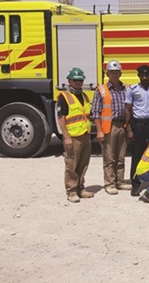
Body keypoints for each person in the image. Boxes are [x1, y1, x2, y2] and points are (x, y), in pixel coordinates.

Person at [92, 60, 131, 195]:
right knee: (109, 157)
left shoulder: (127, 88)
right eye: (112, 72)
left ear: (120, 73)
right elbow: (96, 112)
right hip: (109, 126)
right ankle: (109, 183)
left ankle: (119, 182)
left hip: (123, 126)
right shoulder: (101, 90)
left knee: (121, 156)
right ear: (107, 73)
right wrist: (99, 130)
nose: (114, 74)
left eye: (117, 72)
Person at [125, 64, 149, 196]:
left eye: (147, 75)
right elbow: (128, 109)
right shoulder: (132, 89)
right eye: (142, 75)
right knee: (137, 154)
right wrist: (129, 128)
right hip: (139, 125)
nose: (144, 77)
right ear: (138, 76)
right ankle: (135, 184)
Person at [58, 67, 93, 203]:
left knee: (83, 164)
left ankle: (80, 188)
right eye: (75, 80)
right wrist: (66, 137)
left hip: (85, 134)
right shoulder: (64, 97)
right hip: (73, 137)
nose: (78, 82)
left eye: (80, 80)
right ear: (69, 81)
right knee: (71, 165)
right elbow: (61, 119)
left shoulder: (84, 96)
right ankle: (71, 191)